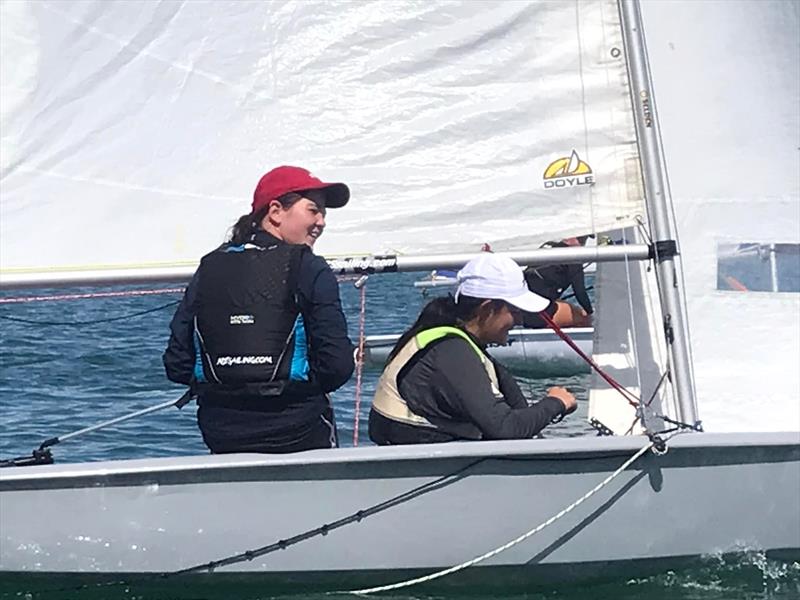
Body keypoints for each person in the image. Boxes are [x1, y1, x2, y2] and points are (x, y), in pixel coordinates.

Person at [163, 166, 355, 454]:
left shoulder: (210, 266)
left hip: (221, 432)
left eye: (324, 213)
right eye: (313, 210)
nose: (322, 222)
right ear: (276, 211)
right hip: (297, 430)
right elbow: (337, 366)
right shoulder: (310, 267)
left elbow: (177, 363)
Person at [369, 253, 577, 445]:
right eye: (514, 310)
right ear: (487, 309)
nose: (520, 319)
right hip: (422, 468)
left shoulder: (459, 342)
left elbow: (517, 415)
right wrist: (556, 403)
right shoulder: (451, 351)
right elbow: (505, 428)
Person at [522, 236, 593, 328]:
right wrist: (590, 313)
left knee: (563, 304)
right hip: (538, 313)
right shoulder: (574, 256)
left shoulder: (548, 245)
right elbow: (580, 292)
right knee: (584, 317)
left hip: (520, 307)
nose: (582, 245)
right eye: (583, 240)